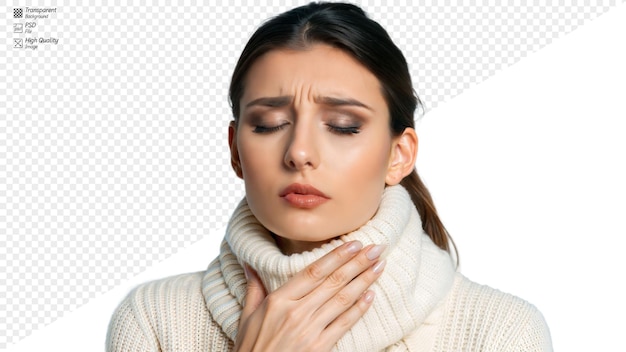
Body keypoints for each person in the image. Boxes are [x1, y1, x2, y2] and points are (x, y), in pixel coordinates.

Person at [106, 2, 552, 351]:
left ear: (399, 155)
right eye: (267, 124)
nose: (299, 152)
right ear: (235, 150)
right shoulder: (155, 321)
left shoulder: (500, 332)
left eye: (342, 126)